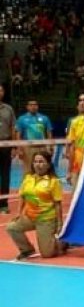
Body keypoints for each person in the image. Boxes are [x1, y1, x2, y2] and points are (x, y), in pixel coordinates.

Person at [6, 150, 64, 259]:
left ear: (48, 164)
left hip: (46, 220)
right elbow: (23, 197)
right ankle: (27, 250)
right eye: (36, 162)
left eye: (41, 161)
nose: (38, 164)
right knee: (11, 227)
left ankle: (63, 242)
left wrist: (60, 224)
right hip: (30, 217)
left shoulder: (53, 181)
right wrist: (19, 214)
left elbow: (57, 204)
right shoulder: (28, 179)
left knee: (47, 254)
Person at [14, 98, 53, 174]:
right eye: (31, 105)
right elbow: (18, 135)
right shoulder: (21, 119)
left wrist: (51, 146)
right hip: (27, 148)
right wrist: (19, 149)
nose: (33, 106)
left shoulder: (45, 118)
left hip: (42, 148)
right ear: (27, 107)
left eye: (35, 105)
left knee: (43, 169)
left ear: (37, 106)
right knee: (28, 170)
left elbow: (49, 133)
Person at [0, 84, 16, 214]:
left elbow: (13, 128)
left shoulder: (8, 109)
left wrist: (14, 146)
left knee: (5, 175)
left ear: (3, 92)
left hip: (5, 145)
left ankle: (3, 205)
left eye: (0, 90)